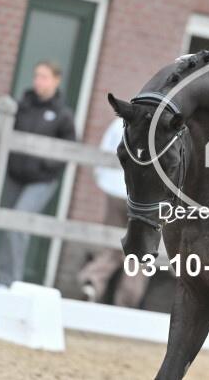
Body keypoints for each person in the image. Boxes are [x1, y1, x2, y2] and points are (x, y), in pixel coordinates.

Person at [0, 61, 76, 286]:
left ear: (56, 81)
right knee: (7, 224)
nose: (38, 81)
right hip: (15, 176)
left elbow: (69, 147)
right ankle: (3, 279)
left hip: (41, 180)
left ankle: (12, 282)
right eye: (37, 76)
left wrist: (45, 164)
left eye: (44, 77)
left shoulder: (63, 115)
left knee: (19, 223)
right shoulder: (22, 106)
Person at [77, 119, 148, 307]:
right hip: (144, 197)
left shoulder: (120, 122)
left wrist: (103, 179)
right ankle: (127, 300)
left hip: (114, 189)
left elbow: (104, 151)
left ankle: (92, 281)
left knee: (112, 244)